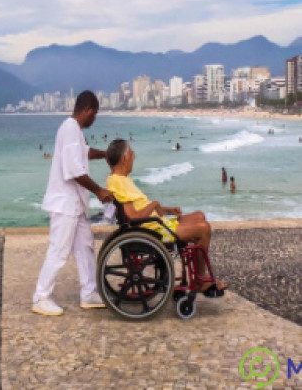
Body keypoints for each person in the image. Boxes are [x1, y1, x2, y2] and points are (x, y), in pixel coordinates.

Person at [105, 139, 227, 297]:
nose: (134, 156)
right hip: (152, 230)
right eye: (132, 153)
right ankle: (200, 282)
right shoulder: (118, 182)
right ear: (124, 158)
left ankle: (195, 276)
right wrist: (155, 204)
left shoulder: (121, 179)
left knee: (199, 215)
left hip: (153, 224)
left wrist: (167, 209)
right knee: (204, 229)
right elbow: (134, 217)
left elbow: (140, 208)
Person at [32, 91, 113, 316]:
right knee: (59, 251)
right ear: (87, 110)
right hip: (65, 204)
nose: (95, 119)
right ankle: (41, 297)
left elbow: (83, 152)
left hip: (77, 205)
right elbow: (74, 170)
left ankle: (89, 293)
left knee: (85, 248)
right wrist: (99, 190)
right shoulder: (69, 129)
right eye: (95, 114)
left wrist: (105, 154)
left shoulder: (74, 131)